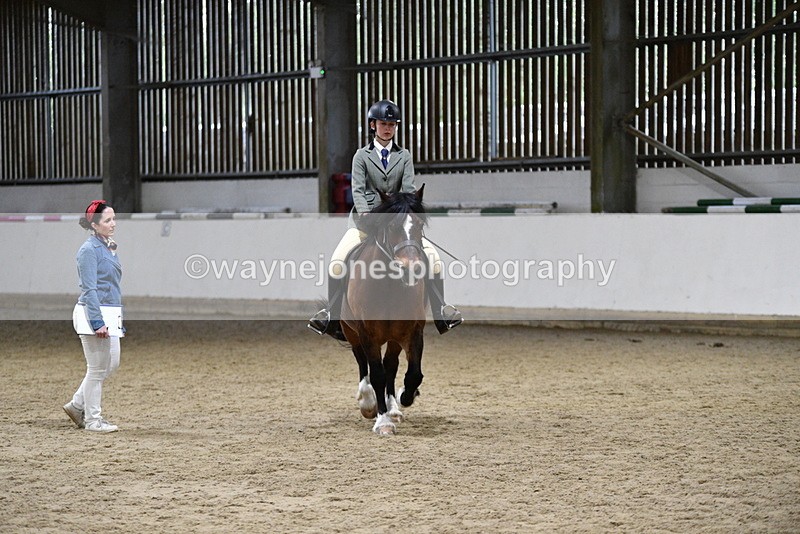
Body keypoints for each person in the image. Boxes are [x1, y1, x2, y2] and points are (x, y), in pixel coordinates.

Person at [308, 99, 463, 340]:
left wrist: (403, 213)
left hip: (397, 226)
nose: (388, 128)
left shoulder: (404, 156)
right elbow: (357, 190)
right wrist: (368, 214)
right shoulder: (361, 156)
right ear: (373, 125)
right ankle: (331, 315)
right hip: (364, 223)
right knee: (337, 262)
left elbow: (409, 189)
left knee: (434, 260)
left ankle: (441, 311)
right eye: (383, 123)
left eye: (392, 124)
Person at [63, 200, 123, 433]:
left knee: (111, 363)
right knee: (97, 369)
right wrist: (97, 322)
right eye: (108, 220)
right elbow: (89, 290)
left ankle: (77, 405)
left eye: (114, 219)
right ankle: (93, 420)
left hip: (110, 312)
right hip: (94, 314)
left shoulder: (107, 246)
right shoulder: (88, 250)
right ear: (95, 225)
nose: (113, 224)